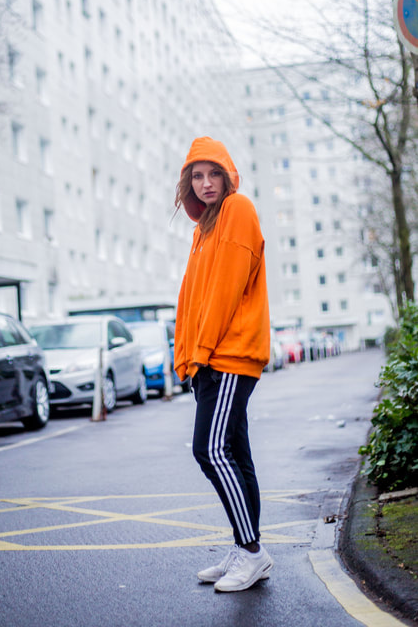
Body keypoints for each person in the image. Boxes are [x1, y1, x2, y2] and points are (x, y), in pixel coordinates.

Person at [174, 136, 272, 593]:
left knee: (210, 451)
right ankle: (244, 547)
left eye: (214, 173)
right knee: (235, 453)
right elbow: (191, 299)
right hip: (211, 358)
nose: (206, 183)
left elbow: (224, 293)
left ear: (228, 176)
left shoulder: (238, 209)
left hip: (227, 355)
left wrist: (201, 353)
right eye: (197, 175)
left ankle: (251, 552)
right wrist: (187, 356)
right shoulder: (203, 230)